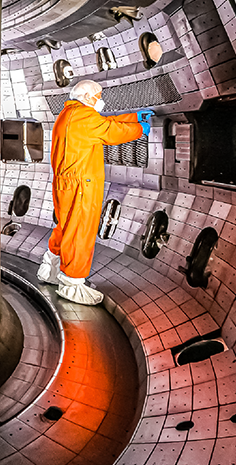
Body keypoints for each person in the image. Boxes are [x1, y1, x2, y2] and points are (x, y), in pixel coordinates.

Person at [38, 80, 153, 305]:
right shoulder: (83, 116)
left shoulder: (69, 114)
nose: (101, 99)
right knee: (80, 232)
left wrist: (134, 116)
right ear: (88, 96)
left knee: (65, 227)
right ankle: (72, 284)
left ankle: (49, 270)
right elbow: (111, 131)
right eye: (98, 95)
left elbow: (105, 122)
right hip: (81, 184)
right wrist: (140, 129)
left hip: (66, 183)